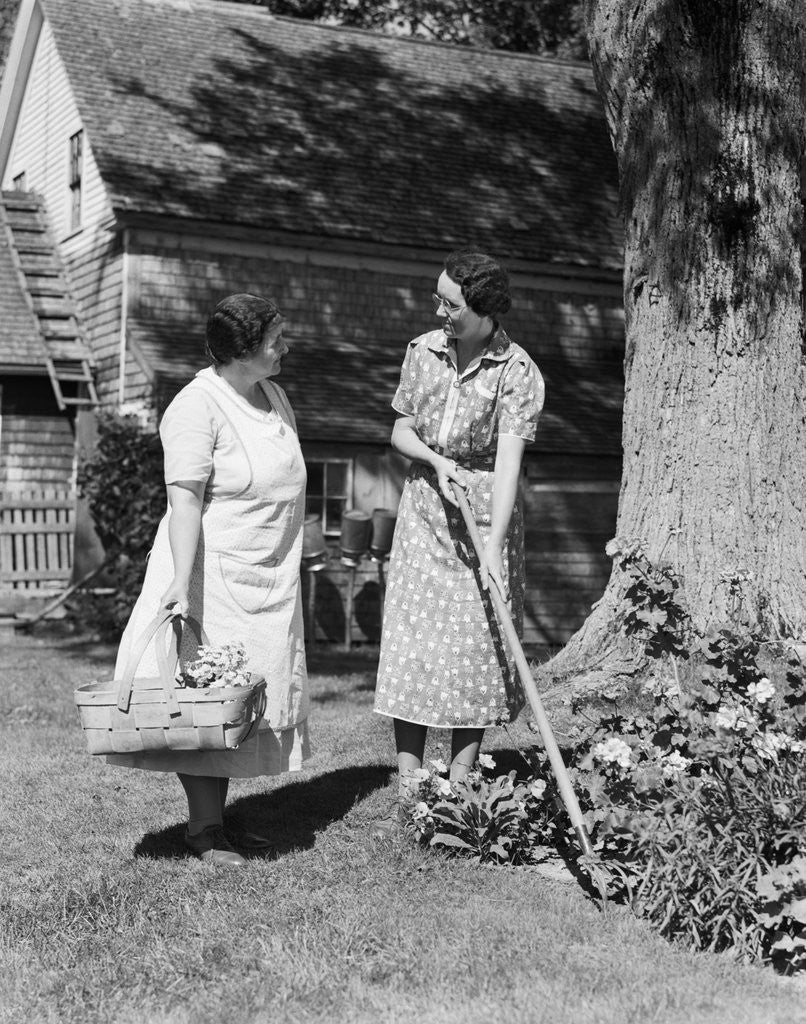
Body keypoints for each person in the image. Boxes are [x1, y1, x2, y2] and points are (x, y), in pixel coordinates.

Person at [108, 293, 311, 868]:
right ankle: (203, 830)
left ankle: (216, 822)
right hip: (208, 574)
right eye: (277, 340)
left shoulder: (274, 396)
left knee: (239, 703)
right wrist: (179, 579)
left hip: (266, 571)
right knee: (204, 700)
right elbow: (185, 500)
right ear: (243, 351)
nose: (286, 347)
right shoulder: (196, 407)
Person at [372, 249, 544, 836]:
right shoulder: (422, 352)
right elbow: (400, 430)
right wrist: (434, 460)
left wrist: (494, 543)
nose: (438, 309)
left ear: (484, 310)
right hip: (424, 509)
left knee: (476, 642)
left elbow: (510, 465)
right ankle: (412, 781)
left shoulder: (517, 372)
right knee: (413, 641)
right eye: (439, 297)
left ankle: (464, 782)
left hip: (484, 513)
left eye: (450, 302)